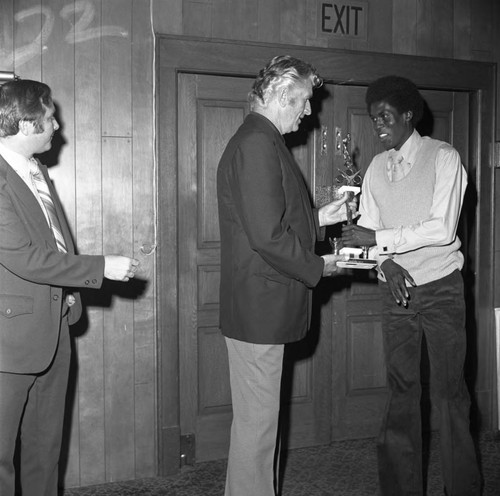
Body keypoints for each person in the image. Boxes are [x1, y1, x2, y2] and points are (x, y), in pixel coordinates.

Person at [217, 55, 352, 496]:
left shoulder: (260, 139)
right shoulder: (258, 142)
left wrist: (319, 220)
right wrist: (320, 265)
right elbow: (268, 237)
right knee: (257, 434)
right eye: (304, 102)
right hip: (261, 311)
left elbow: (272, 222)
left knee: (259, 430)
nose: (309, 112)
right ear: (278, 95)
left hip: (260, 309)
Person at [342, 75, 480, 495]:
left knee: (450, 395)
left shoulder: (444, 158)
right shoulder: (374, 171)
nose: (378, 124)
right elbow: (365, 234)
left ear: (408, 114)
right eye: (372, 118)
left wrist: (381, 242)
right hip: (396, 293)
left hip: (441, 289)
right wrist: (386, 262)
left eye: (385, 115)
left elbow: (441, 228)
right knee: (401, 392)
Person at [0, 79, 139, 496]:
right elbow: (24, 256)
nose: (57, 125)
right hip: (9, 342)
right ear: (25, 124)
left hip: (54, 329)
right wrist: (102, 268)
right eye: (48, 117)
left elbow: (52, 241)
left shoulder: (34, 170)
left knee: (46, 451)